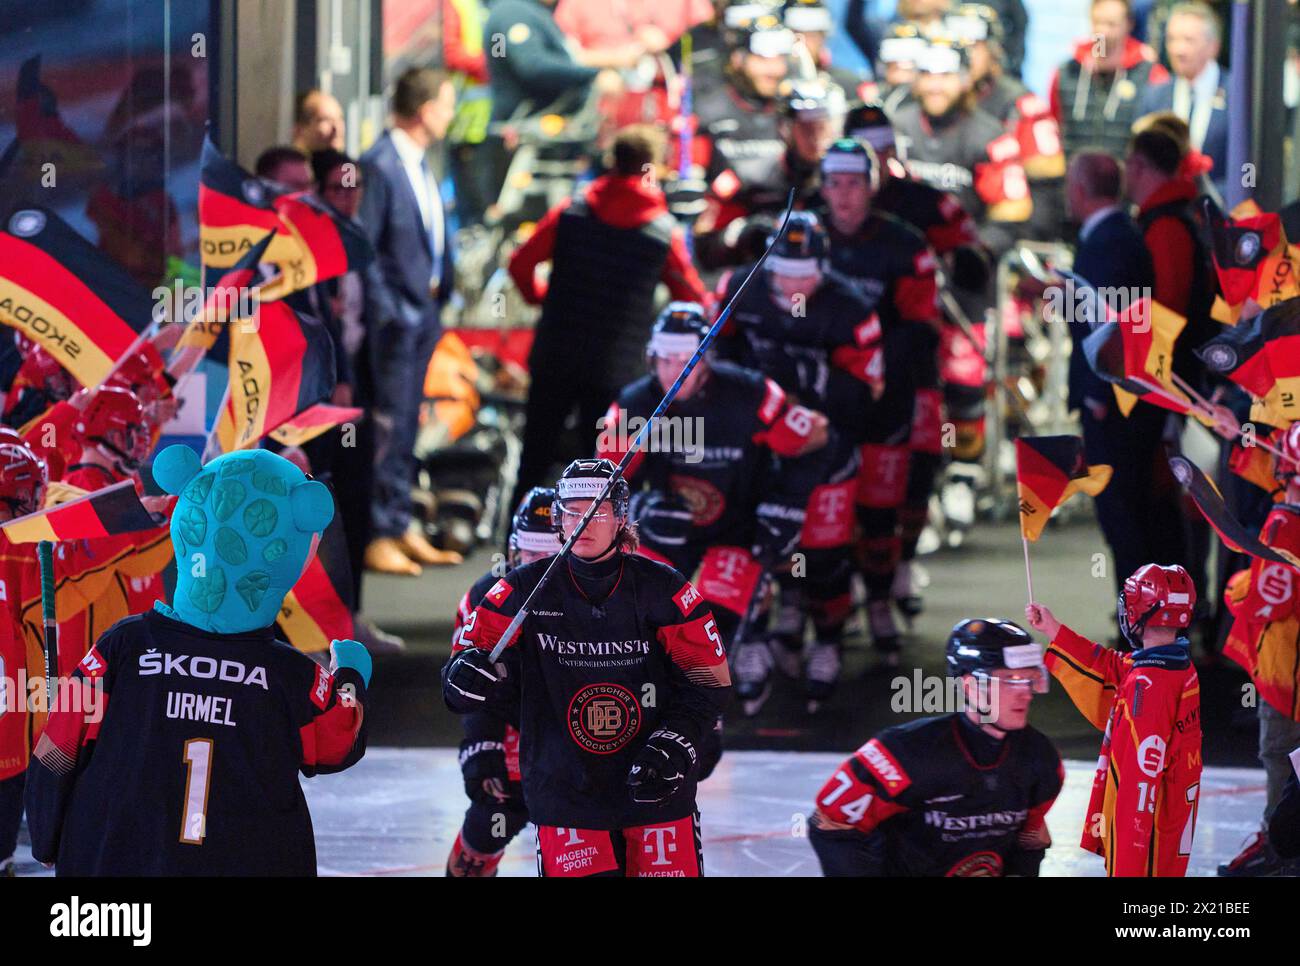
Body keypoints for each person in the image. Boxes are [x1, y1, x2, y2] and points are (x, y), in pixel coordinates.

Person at [25, 446, 369, 875]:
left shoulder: (122, 647)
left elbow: (59, 744)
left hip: (110, 868)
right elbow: (339, 743)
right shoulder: (292, 676)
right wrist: (352, 676)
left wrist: (46, 834)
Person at [443, 458, 731, 877]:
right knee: (493, 809)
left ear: (621, 518)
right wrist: (465, 690)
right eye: (573, 512)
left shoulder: (663, 588)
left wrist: (682, 740)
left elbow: (708, 683)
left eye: (596, 511)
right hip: (559, 776)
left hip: (650, 775)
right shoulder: (508, 593)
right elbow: (461, 683)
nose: (583, 524)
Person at [599, 302, 828, 713]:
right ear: (651, 357)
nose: (673, 371)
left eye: (684, 361)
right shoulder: (633, 405)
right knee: (637, 618)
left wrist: (785, 507)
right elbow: (603, 482)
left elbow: (814, 441)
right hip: (667, 527)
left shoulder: (750, 394)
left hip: (737, 529)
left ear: (704, 359)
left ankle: (752, 634)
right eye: (665, 360)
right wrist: (637, 512)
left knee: (716, 629)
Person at [717, 212, 890, 699]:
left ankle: (829, 639)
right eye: (784, 274)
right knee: (760, 542)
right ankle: (766, 628)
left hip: (825, 443)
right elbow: (713, 354)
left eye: (805, 275)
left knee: (826, 554)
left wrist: (804, 394)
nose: (793, 287)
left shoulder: (851, 308)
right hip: (756, 443)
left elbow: (868, 389)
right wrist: (752, 397)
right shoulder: (739, 287)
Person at [507, 124, 705, 510]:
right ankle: (591, 563)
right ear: (655, 167)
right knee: (603, 477)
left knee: (533, 464)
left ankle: (517, 557)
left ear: (612, 162)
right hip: (617, 369)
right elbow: (692, 298)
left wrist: (541, 299)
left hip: (556, 354)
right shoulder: (663, 234)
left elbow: (520, 263)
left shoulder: (571, 211)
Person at [809, 618, 1062, 876]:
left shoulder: (1041, 760)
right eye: (1011, 680)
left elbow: (1032, 839)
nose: (1026, 693)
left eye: (1030, 680)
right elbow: (830, 822)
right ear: (970, 685)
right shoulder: (905, 752)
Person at [818, 138, 941, 632]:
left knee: (879, 510)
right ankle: (822, 610)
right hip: (821, 398)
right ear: (822, 189)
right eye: (835, 184)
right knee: (824, 508)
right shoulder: (802, 236)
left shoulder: (904, 244)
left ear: (872, 187)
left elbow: (919, 328)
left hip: (885, 396)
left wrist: (870, 373)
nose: (844, 195)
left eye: (854, 184)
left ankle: (880, 602)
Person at [1026, 564, 1202, 877]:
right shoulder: (1175, 666)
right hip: (1166, 823)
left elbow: (1140, 783)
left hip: (1146, 836)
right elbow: (1112, 667)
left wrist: (1128, 863)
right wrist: (1053, 629)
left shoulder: (1147, 685)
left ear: (1140, 610)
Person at [358, 67, 461, 576]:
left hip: (424, 317)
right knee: (387, 427)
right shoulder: (378, 165)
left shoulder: (419, 162)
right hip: (396, 323)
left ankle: (399, 524)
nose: (451, 114)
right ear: (424, 110)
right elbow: (364, 248)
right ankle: (379, 531)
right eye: (446, 103)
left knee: (405, 427)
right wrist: (391, 313)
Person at [1065, 150, 1183, 591]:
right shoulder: (1122, 235)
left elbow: (1110, 324)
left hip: (1114, 406)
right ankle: (1146, 621)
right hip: (1125, 401)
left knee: (1122, 517)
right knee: (1130, 515)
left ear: (1077, 191)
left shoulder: (1109, 240)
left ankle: (1140, 626)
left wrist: (1097, 396)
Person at [446, 487, 562, 876]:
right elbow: (466, 683)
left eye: (551, 554)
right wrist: (482, 745)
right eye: (530, 553)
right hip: (515, 715)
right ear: (512, 551)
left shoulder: (611, 590)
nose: (539, 567)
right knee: (491, 812)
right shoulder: (486, 595)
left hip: (590, 727)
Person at [1217, 423, 1300, 875]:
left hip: (1286, 677)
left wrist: (1235, 587)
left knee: (1280, 763)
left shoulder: (1284, 523)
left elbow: (1269, 599)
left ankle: (1280, 852)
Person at [694, 77, 845, 271]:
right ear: (785, 128)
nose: (817, 137)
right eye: (806, 127)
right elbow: (706, 250)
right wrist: (742, 232)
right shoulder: (745, 176)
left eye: (823, 126)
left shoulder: (851, 180)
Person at [1048, 0, 1168, 162]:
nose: (1102, 31)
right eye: (1097, 22)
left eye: (1111, 24)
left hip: (1127, 179)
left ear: (1129, 24)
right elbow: (1053, 125)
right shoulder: (1067, 71)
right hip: (1076, 178)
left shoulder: (1150, 74)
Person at [1137, 1, 1228, 198]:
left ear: (1213, 46)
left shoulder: (1235, 95)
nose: (1178, 50)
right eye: (1171, 39)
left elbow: (1246, 168)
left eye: (1188, 40)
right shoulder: (1154, 96)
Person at [291, 89, 346, 155]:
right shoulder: (284, 163)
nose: (337, 128)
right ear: (299, 129)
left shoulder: (347, 164)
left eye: (340, 119)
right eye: (326, 120)